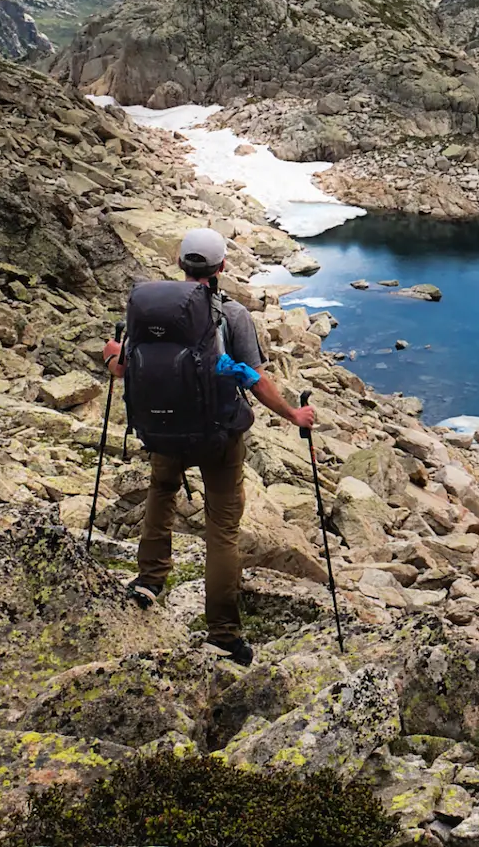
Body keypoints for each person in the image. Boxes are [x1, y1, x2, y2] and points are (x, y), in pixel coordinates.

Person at [103, 226, 315, 666]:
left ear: (180, 263)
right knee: (222, 530)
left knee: (161, 495)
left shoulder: (149, 309)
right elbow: (254, 379)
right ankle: (223, 633)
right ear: (221, 267)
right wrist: (294, 414)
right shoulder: (232, 314)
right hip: (219, 434)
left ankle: (148, 581)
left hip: (165, 428)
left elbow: (122, 371)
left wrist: (110, 354)